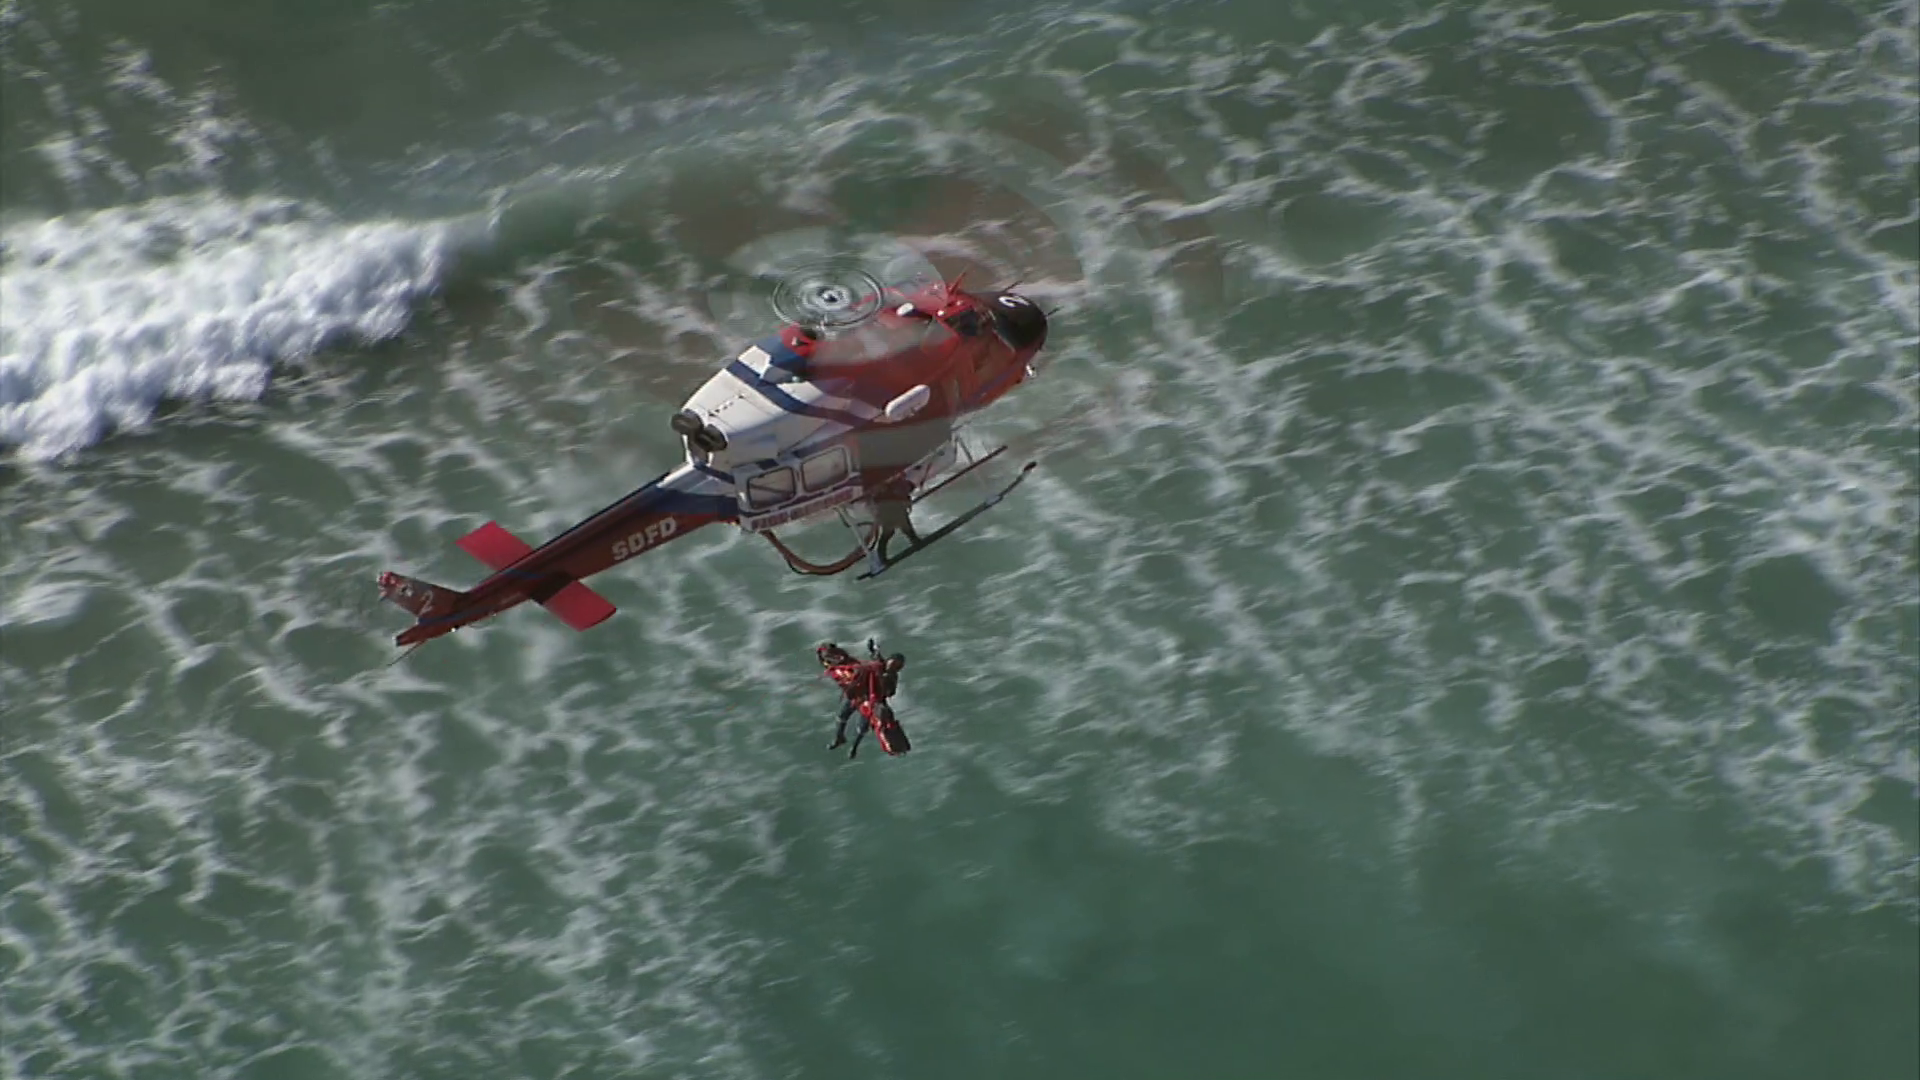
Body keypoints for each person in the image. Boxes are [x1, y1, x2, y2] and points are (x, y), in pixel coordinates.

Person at [872, 476, 923, 562]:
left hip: (886, 506)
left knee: (891, 532)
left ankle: (882, 557)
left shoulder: (895, 485)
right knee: (903, 529)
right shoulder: (898, 485)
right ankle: (916, 541)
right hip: (891, 506)